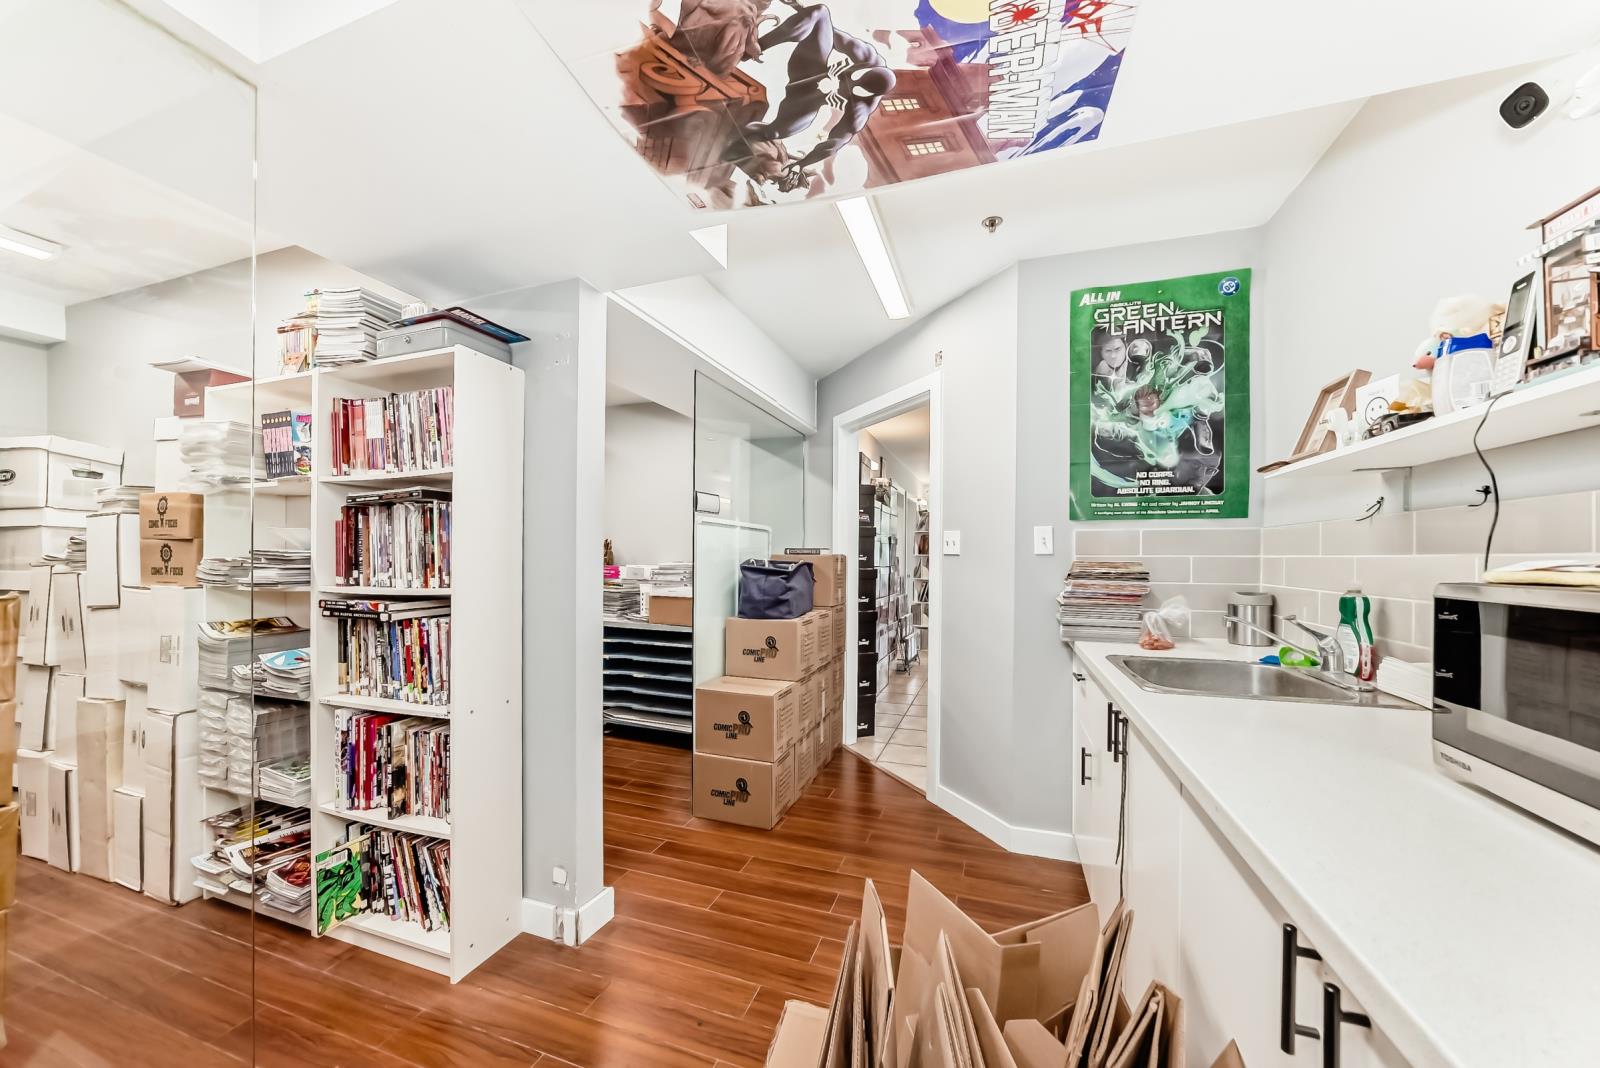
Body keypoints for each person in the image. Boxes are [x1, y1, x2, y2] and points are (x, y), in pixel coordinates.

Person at [733, 3, 895, 191]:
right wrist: (798, 6)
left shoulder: (862, 107)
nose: (848, 84)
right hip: (809, 68)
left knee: (778, 132)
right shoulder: (867, 56)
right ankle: (754, 48)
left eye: (854, 89)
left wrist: (802, 164)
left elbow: (835, 142)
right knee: (821, 13)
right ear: (864, 69)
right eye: (851, 78)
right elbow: (829, 31)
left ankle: (741, 142)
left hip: (807, 99)